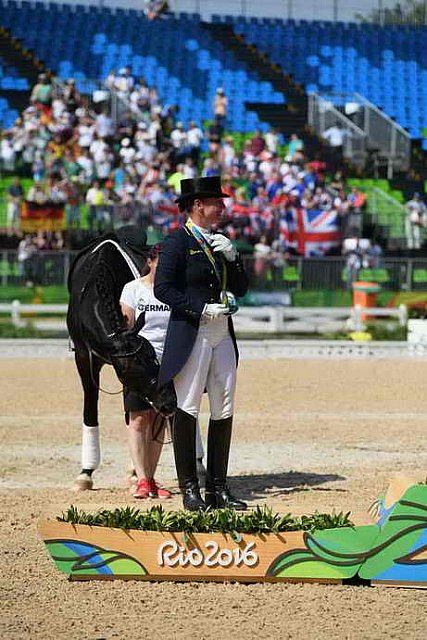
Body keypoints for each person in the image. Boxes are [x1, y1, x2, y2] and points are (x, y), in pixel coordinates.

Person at [154, 176, 249, 511]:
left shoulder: (220, 241)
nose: (222, 209)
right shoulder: (177, 242)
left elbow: (242, 287)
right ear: (197, 206)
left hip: (222, 331)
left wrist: (234, 258)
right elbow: (162, 289)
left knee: (224, 407)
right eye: (216, 203)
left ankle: (218, 488)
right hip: (193, 331)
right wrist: (199, 307)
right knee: (188, 407)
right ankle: (190, 489)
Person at [120, 244, 173, 499]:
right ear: (151, 261)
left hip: (167, 363)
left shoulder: (173, 291)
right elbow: (126, 329)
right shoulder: (133, 289)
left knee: (158, 420)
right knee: (139, 418)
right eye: (163, 261)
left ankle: (151, 479)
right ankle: (141, 479)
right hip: (140, 365)